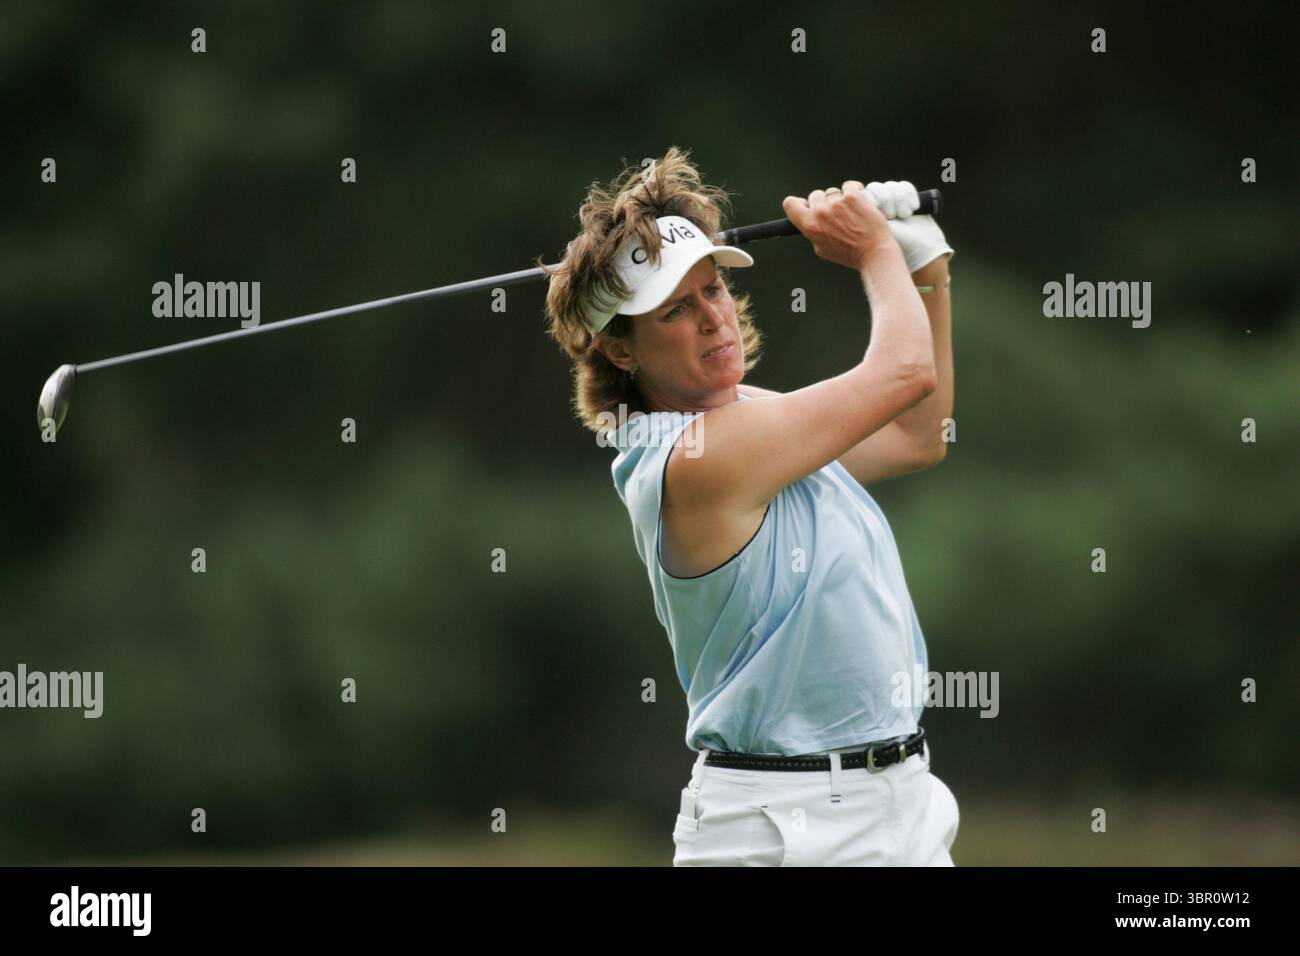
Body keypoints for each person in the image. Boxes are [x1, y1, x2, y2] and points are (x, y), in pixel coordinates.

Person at [541, 146, 958, 866]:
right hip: (781, 830)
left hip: (903, 803)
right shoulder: (697, 460)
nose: (714, 319)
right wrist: (874, 252)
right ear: (620, 352)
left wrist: (926, 275)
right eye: (676, 309)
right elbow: (904, 371)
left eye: (714, 291)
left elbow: (915, 435)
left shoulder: (757, 425)